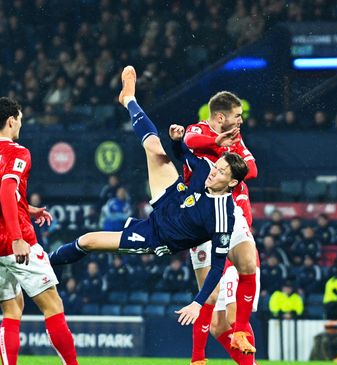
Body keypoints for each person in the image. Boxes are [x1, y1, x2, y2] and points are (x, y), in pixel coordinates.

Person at [49, 67, 248, 332]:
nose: (215, 171)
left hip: (157, 235)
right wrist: (176, 141)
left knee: (88, 241)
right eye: (217, 165)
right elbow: (181, 154)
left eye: (221, 171)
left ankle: (45, 262)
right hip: (173, 197)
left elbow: (218, 267)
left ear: (232, 183)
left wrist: (198, 303)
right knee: (155, 147)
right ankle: (129, 99)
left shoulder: (224, 215)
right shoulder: (204, 171)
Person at [0, 96, 107, 365]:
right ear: (11, 121)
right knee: (52, 305)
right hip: (16, 243)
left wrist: (28, 209)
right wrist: (18, 235)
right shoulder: (18, 152)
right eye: (20, 118)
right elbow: (5, 191)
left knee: (12, 311)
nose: (21, 124)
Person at [182, 90, 270, 365]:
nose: (241, 121)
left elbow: (252, 170)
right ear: (220, 117)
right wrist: (220, 147)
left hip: (230, 226)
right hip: (199, 222)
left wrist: (226, 157)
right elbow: (189, 142)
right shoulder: (199, 130)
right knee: (218, 323)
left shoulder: (238, 140)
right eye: (237, 116)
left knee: (231, 317)